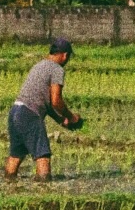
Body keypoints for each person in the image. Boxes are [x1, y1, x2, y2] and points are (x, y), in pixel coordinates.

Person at [5, 37, 82, 183]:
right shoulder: (57, 69)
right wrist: (71, 117)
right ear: (65, 55)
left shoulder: (39, 65)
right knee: (42, 155)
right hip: (29, 114)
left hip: (16, 111)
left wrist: (61, 120)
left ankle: (9, 186)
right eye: (69, 57)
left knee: (16, 155)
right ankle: (44, 192)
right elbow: (56, 101)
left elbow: (47, 103)